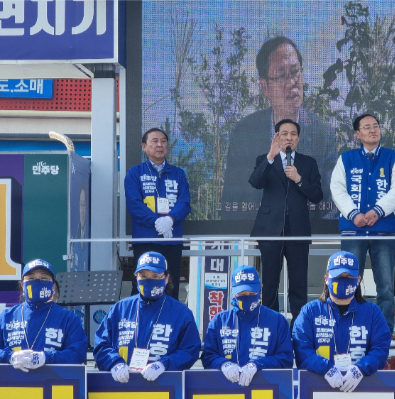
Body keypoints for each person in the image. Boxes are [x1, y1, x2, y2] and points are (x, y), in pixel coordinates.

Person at [222, 36, 336, 220]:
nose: (292, 82)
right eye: (282, 75)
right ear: (265, 87)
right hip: (259, 237)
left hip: (306, 236)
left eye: (295, 72)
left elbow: (330, 203)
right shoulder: (244, 133)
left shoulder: (323, 133)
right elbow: (231, 202)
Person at [330, 114, 395, 335]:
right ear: (357, 134)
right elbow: (337, 189)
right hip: (353, 230)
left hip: (383, 231)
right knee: (347, 280)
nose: (373, 130)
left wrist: (377, 211)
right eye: (367, 127)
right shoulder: (346, 158)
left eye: (376, 126)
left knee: (385, 284)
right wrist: (354, 214)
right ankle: (347, 327)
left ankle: (385, 330)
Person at [249, 119, 323, 324]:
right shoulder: (264, 159)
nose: (288, 137)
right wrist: (271, 156)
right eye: (284, 133)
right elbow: (255, 182)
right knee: (269, 282)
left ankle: (299, 327)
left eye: (292, 134)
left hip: (298, 229)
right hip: (270, 229)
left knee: (299, 282)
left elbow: (317, 195)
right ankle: (270, 325)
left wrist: (299, 179)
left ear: (298, 139)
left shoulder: (308, 163)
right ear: (276, 137)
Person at [94, 252, 201, 383]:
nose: (149, 281)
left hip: (165, 386)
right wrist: (114, 363)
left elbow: (190, 349)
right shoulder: (120, 309)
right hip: (121, 385)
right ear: (136, 277)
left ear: (166, 278)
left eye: (155, 276)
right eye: (143, 276)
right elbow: (101, 344)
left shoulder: (181, 313)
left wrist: (164, 364)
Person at [293, 251, 391, 392]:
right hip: (318, 387)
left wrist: (361, 369)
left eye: (349, 277)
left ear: (358, 280)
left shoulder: (372, 312)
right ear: (326, 279)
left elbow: (381, 348)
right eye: (338, 276)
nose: (343, 280)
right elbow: (301, 349)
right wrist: (326, 368)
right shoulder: (310, 312)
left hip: (361, 388)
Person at [125, 127, 191, 300]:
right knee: (142, 287)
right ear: (144, 147)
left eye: (163, 141)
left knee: (171, 286)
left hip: (172, 241)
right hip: (146, 240)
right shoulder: (135, 173)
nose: (159, 145)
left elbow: (184, 203)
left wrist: (170, 220)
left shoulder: (178, 174)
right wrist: (156, 222)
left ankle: (171, 326)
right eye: (154, 141)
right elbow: (134, 205)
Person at [202, 265, 293, 385]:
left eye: (251, 292)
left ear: (260, 289)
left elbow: (285, 359)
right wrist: (223, 364)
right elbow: (208, 356)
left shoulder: (277, 321)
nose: (247, 297)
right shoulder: (219, 321)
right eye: (242, 294)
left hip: (266, 389)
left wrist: (258, 364)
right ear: (232, 291)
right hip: (226, 388)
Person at [1, 259, 87, 371]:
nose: (37, 282)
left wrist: (46, 358)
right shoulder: (7, 316)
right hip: (12, 386)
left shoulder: (68, 318)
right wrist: (9, 357)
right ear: (22, 286)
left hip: (53, 384)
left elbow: (77, 354)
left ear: (53, 286)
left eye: (44, 278)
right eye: (31, 278)